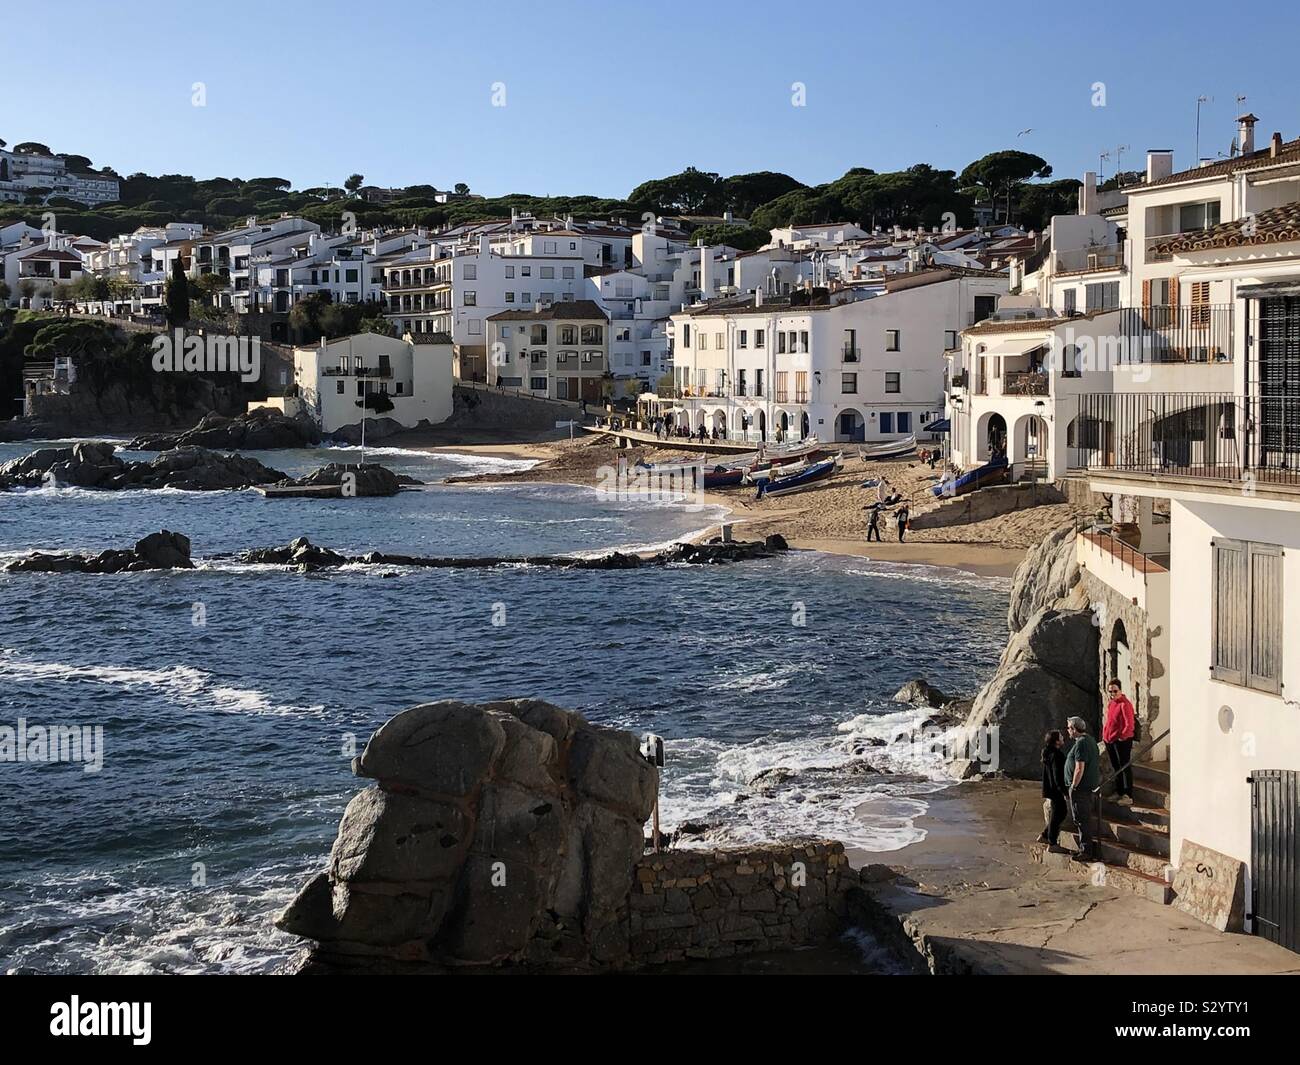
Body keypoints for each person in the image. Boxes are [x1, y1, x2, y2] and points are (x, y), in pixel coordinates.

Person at [1064, 716, 1101, 860]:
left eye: (1069, 728)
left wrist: (1074, 785)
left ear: (1074, 729)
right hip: (1087, 786)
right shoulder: (1090, 740)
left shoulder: (1081, 744)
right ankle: (1084, 848)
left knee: (1081, 818)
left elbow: (1079, 767)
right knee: (1082, 818)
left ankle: (1086, 850)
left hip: (1081, 788)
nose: (1067, 731)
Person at [1103, 678, 1136, 805]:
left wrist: (1122, 737)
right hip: (1111, 740)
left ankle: (1128, 794)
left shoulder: (1125, 704)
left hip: (1121, 741)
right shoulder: (1112, 703)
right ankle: (1120, 791)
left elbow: (1130, 724)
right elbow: (1110, 721)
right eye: (1110, 691)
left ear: (1120, 690)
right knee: (1117, 767)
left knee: (1124, 766)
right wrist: (1106, 735)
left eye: (1115, 691)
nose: (1113, 694)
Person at [1039, 730, 1068, 848]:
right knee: (1059, 814)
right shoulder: (1057, 755)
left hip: (1050, 788)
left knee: (1058, 813)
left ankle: (1045, 835)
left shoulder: (1048, 753)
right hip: (1056, 790)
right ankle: (1052, 842)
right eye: (1061, 737)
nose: (1063, 739)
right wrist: (1063, 791)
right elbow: (1057, 775)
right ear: (1057, 741)